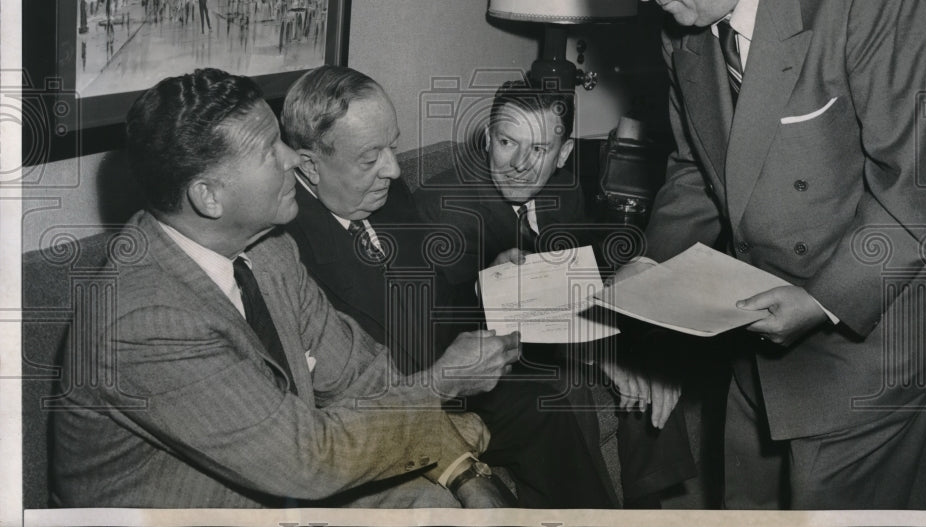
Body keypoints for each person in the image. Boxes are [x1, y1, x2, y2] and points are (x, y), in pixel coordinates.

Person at [612, 0, 926, 509]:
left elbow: (919, 191)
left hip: (874, 320)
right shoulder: (685, 28)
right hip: (764, 316)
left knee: (821, 498)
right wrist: (654, 266)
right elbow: (696, 168)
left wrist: (822, 300)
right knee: (747, 497)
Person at [51, 68, 520, 509]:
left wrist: (465, 472)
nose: (294, 158)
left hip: (277, 481)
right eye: (269, 151)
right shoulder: (145, 323)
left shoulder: (270, 252)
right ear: (208, 197)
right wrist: (444, 381)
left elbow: (365, 374)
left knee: (436, 506)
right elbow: (311, 461)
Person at [281, 65, 623, 508]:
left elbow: (437, 301)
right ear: (309, 165)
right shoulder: (288, 252)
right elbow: (337, 401)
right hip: (388, 412)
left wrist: (485, 289)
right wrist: (446, 394)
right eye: (371, 158)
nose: (392, 168)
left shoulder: (386, 194)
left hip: (450, 382)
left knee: (548, 401)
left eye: (394, 146)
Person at [415, 78, 697, 508]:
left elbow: (577, 287)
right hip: (480, 368)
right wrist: (600, 357)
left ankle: (646, 503)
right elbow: (450, 328)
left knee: (647, 342)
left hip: (549, 339)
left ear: (563, 154)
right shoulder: (444, 204)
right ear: (489, 137)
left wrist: (620, 351)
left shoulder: (563, 192)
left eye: (539, 150)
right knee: (562, 387)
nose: (519, 165)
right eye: (507, 142)